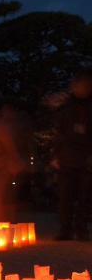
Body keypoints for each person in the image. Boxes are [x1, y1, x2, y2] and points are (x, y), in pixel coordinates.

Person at [52, 68, 92, 240]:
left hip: (87, 159)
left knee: (85, 196)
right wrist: (55, 155)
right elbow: (58, 133)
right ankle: (66, 229)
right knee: (65, 197)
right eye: (78, 85)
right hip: (67, 158)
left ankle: (82, 229)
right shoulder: (66, 109)